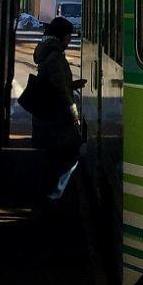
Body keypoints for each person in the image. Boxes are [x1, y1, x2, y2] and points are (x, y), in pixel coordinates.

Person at [31, 15, 84, 202]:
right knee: (69, 156)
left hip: (47, 119)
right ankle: (54, 196)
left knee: (53, 159)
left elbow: (57, 84)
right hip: (56, 120)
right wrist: (75, 115)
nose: (70, 40)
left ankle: (50, 194)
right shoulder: (55, 57)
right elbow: (61, 90)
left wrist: (73, 84)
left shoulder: (47, 52)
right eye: (68, 37)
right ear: (61, 36)